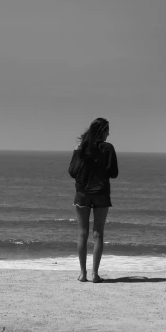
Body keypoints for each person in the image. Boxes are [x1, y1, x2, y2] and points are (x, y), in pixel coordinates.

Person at [68, 117, 118, 283]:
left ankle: (83, 274)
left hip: (82, 193)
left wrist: (76, 151)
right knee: (98, 234)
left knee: (82, 233)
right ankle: (95, 274)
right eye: (107, 130)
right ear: (101, 131)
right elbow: (114, 172)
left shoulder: (81, 148)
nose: (109, 134)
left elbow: (72, 172)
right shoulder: (108, 148)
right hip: (101, 194)